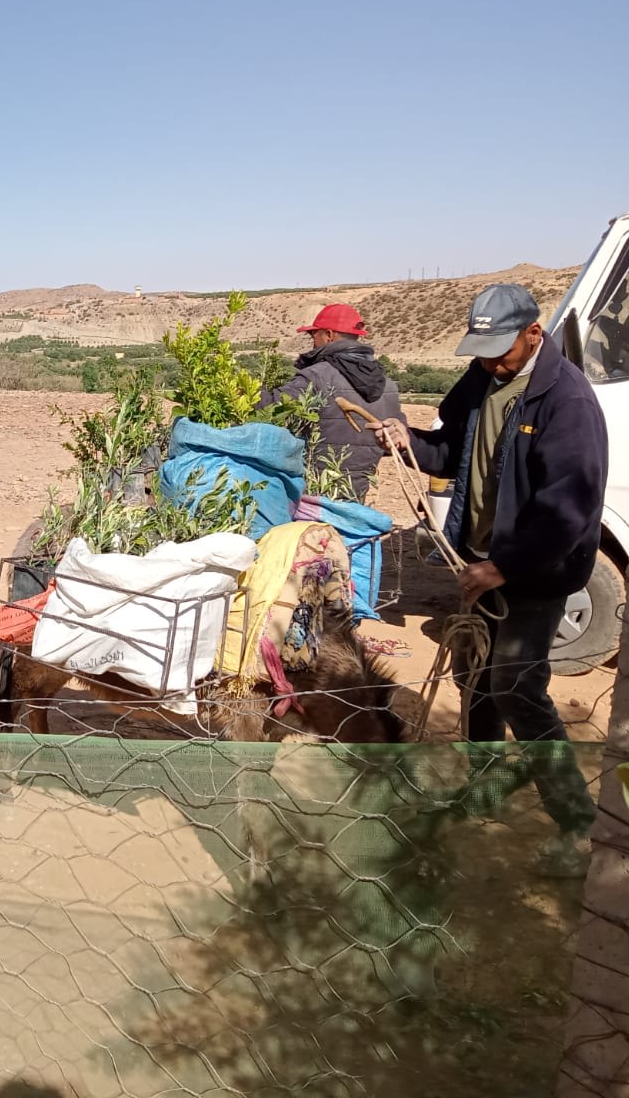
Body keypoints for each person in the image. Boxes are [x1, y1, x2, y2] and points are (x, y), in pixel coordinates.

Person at [368, 284, 605, 875]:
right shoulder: (482, 380)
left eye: (500, 349)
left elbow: (570, 510)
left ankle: (577, 824)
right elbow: (450, 449)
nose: (490, 360)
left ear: (534, 334)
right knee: (475, 682)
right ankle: (485, 786)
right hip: (478, 564)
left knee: (517, 689)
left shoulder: (566, 401)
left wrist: (503, 566)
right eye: (482, 350)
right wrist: (410, 443)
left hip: (532, 572)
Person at [258, 302, 404, 501]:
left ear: (329, 335)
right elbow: (394, 442)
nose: (312, 341)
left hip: (314, 488)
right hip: (358, 489)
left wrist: (249, 392)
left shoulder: (315, 376)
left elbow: (273, 411)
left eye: (313, 335)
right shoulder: (387, 385)